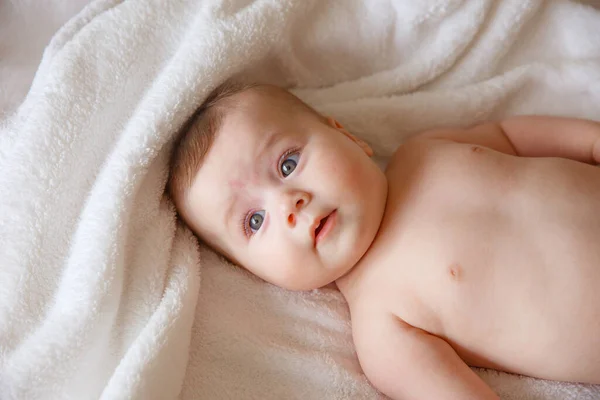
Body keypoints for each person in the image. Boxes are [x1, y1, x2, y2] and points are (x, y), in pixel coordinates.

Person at [167, 80, 600, 399]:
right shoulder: (383, 329)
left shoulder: (424, 150)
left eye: (287, 163)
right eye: (255, 221)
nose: (288, 205)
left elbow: (509, 136)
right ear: (258, 274)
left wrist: (590, 139)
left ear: (346, 135)